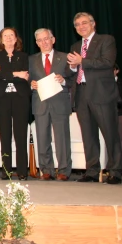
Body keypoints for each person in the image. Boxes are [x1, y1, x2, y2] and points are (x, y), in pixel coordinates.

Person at [68, 12, 122, 184]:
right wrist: (70, 69)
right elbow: (74, 70)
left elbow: (107, 62)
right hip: (81, 94)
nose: (81, 26)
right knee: (88, 136)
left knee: (109, 133)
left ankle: (115, 171)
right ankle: (92, 171)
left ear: (93, 24)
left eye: (84, 23)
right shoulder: (75, 45)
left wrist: (82, 61)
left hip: (102, 94)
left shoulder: (106, 40)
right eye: (77, 24)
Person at [28, 28, 73, 181]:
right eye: (40, 40)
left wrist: (64, 81)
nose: (44, 42)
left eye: (46, 39)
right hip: (40, 103)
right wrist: (31, 84)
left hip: (60, 102)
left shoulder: (65, 57)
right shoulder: (31, 59)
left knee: (62, 138)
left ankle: (64, 170)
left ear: (53, 40)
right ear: (36, 43)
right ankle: (46, 170)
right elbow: (27, 79)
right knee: (42, 137)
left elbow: (74, 79)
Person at [0, 27, 30, 181]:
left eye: (11, 35)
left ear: (15, 39)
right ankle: (6, 171)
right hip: (2, 99)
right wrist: (15, 73)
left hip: (20, 99)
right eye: (4, 35)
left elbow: (24, 75)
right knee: (5, 136)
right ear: (1, 39)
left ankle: (22, 171)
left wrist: (5, 72)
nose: (8, 38)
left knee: (21, 136)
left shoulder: (23, 56)